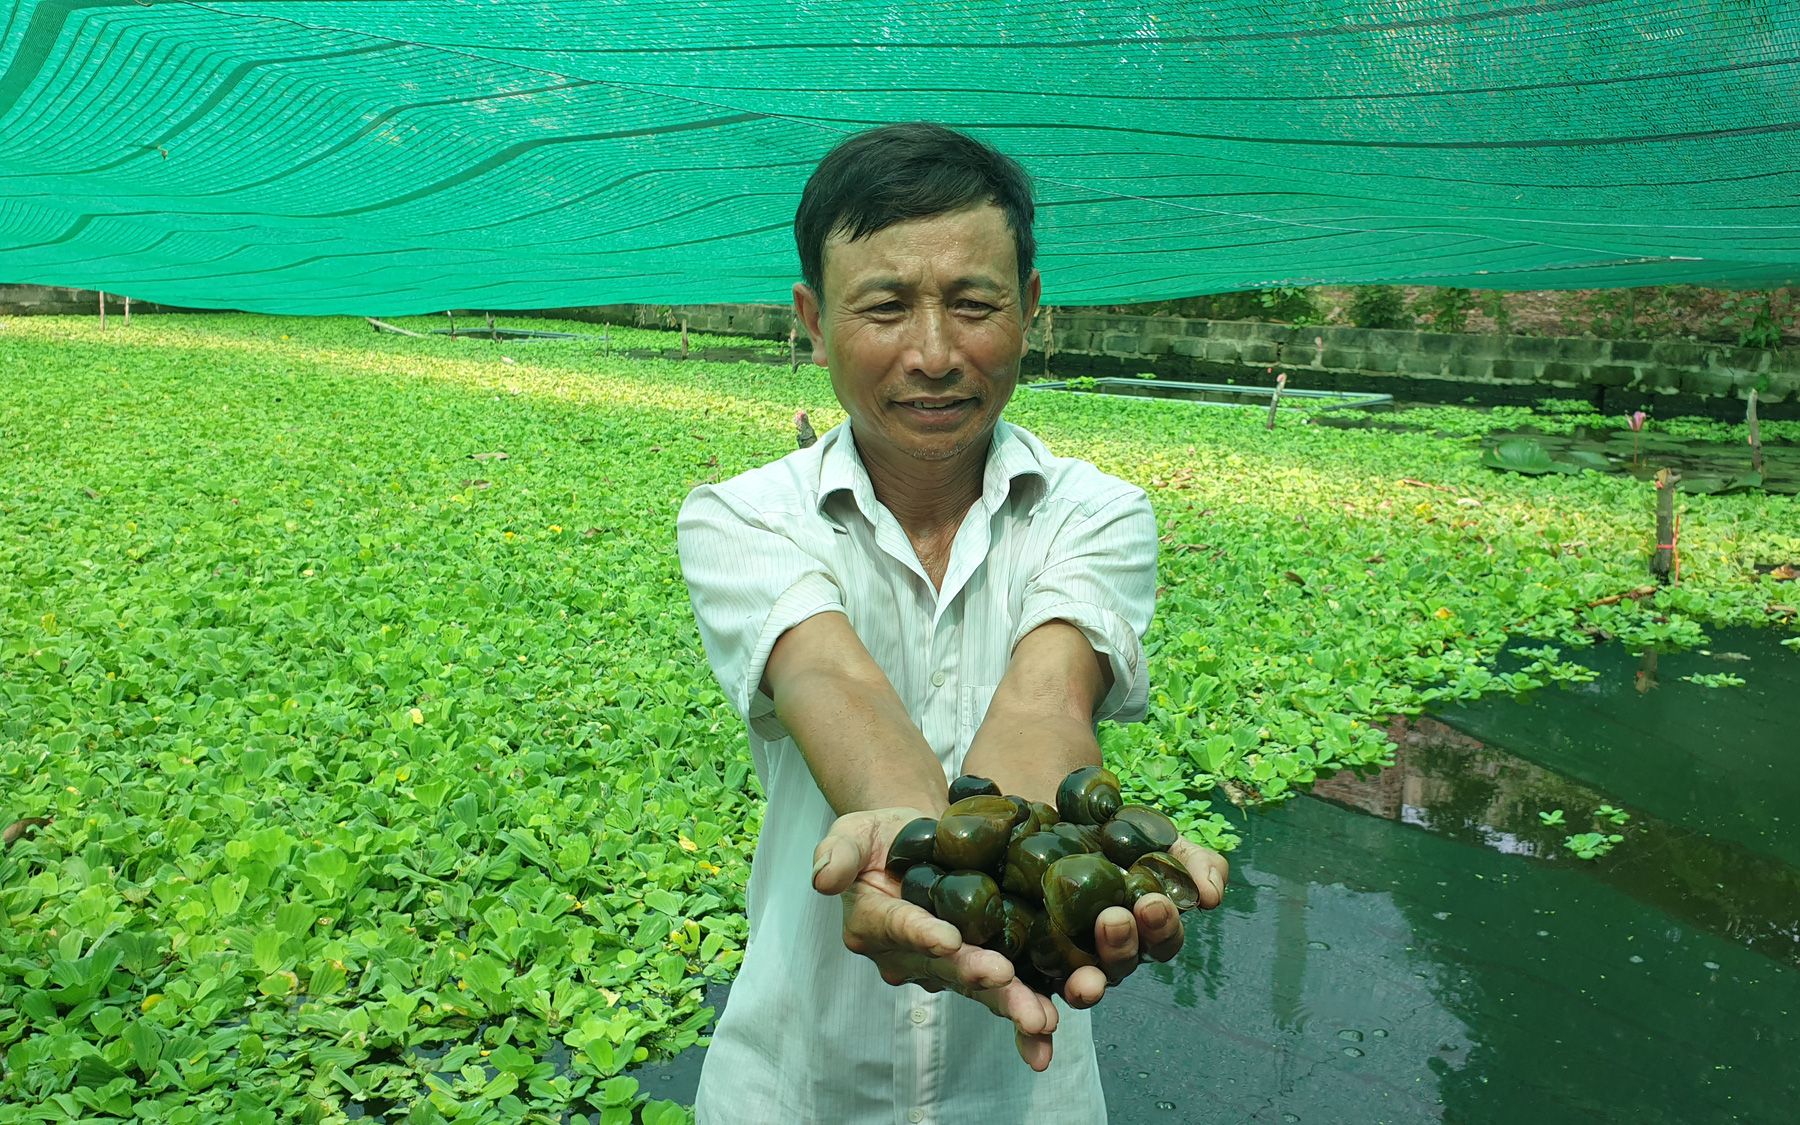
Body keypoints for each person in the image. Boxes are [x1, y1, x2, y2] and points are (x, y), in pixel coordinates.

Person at [676, 122, 1229, 1125]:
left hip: (1026, 1092)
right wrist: (923, 852)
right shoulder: (742, 516)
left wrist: (988, 868)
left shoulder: (1097, 512)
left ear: (1030, 310)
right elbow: (826, 679)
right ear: (812, 320)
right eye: (884, 307)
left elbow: (1049, 696)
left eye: (973, 305)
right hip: (793, 1086)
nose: (932, 355)